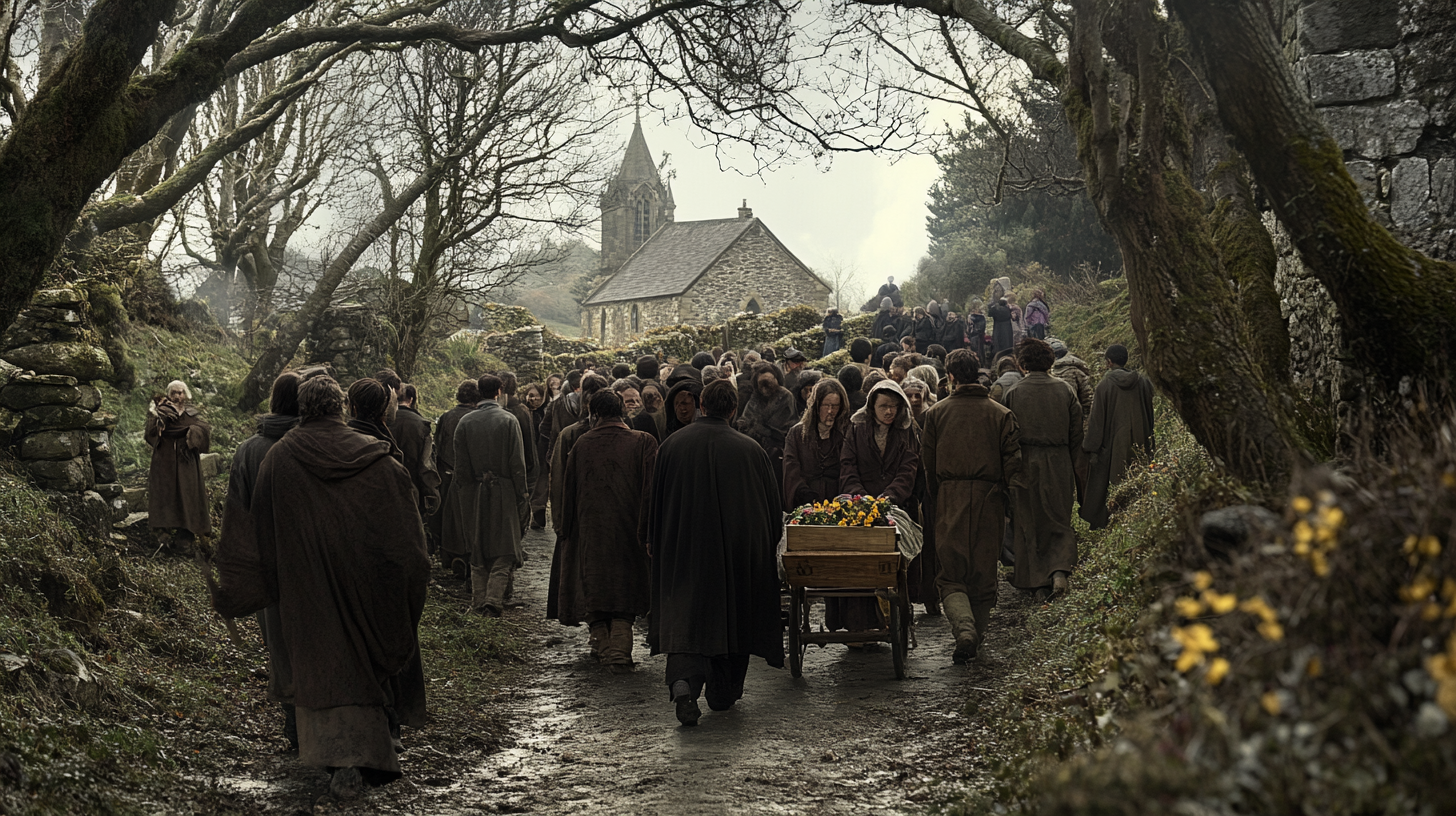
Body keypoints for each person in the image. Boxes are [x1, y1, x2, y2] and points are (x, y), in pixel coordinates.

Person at [249, 375, 429, 799]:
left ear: (303, 408)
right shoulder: (379, 459)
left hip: (305, 586)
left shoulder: (278, 459)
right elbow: (407, 542)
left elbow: (261, 529)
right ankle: (366, 755)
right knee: (363, 658)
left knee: (321, 662)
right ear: (341, 408)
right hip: (365, 583)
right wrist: (402, 585)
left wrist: (270, 581)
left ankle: (333, 758)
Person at [648, 379, 784, 726]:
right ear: (734, 410)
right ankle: (723, 690)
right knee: (732, 618)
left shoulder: (671, 446)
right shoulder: (751, 450)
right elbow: (771, 510)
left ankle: (684, 681)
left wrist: (656, 543)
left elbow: (655, 504)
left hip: (684, 550)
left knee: (686, 615)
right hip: (737, 554)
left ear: (702, 406)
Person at [213, 370, 302, 750]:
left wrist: (239, 565)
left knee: (279, 641)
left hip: (267, 561)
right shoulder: (309, 443)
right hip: (308, 557)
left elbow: (237, 511)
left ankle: (293, 719)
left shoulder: (249, 449)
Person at [920, 349, 1024, 664]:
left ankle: (964, 630)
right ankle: (974, 636)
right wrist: (1008, 504)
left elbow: (929, 465)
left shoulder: (935, 415)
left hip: (950, 498)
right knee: (983, 574)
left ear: (950, 377)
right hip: (989, 499)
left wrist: (939, 499)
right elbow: (1014, 466)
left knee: (950, 574)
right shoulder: (1001, 414)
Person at [552, 390, 658, 672]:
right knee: (626, 585)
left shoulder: (583, 444)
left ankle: (602, 643)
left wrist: (567, 530)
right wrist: (649, 529)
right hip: (630, 528)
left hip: (591, 530)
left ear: (594, 414)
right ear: (622, 411)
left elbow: (568, 492)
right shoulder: (643, 442)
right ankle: (619, 651)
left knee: (595, 584)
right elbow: (651, 492)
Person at [835, 379, 920, 635]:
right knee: (858, 567)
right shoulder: (856, 429)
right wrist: (860, 497)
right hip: (859, 506)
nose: (889, 412)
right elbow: (847, 464)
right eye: (884, 406)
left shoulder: (906, 431)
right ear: (872, 407)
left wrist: (890, 497)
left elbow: (909, 467)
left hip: (895, 505)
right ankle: (860, 628)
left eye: (894, 406)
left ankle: (896, 618)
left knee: (894, 566)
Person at [1004, 338, 1083, 602]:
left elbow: (1008, 437)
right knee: (1058, 517)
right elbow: (1076, 435)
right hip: (1059, 459)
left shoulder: (1013, 393)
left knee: (1029, 520)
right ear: (1050, 361)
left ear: (1022, 363)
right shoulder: (1065, 391)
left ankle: (1036, 582)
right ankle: (1059, 570)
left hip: (1025, 461)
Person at [448, 375, 529, 615]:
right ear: (499, 391)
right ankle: (493, 600)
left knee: (478, 547)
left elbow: (460, 467)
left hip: (474, 491)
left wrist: (465, 494)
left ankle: (477, 601)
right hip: (503, 490)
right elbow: (517, 464)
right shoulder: (508, 420)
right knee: (504, 548)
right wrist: (521, 494)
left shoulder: (465, 422)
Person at [1081, 344, 1155, 530]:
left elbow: (1096, 420)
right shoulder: (1143, 382)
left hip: (1113, 445)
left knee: (1106, 484)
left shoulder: (1104, 386)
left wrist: (1090, 447)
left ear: (1108, 362)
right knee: (1139, 480)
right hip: (1141, 439)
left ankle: (1105, 522)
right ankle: (1139, 515)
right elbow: (1150, 413)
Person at [145, 379, 212, 544]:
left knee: (187, 493)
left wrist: (193, 433)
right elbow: (149, 433)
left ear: (186, 394)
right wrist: (159, 421)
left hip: (186, 460)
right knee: (165, 492)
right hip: (164, 459)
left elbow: (205, 429)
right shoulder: (159, 412)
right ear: (168, 394)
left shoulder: (192, 413)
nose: (177, 396)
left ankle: (186, 533)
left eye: (180, 392)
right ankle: (163, 533)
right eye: (173, 392)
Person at [782, 378, 850, 511]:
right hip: (806, 503)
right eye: (826, 405)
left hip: (838, 502)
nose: (830, 411)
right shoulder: (797, 433)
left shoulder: (846, 433)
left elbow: (850, 467)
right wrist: (803, 494)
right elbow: (791, 469)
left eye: (835, 406)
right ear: (816, 406)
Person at [737, 361, 797, 497]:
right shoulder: (755, 399)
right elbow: (746, 419)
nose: (765, 387)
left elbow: (784, 425)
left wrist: (759, 427)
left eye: (769, 382)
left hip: (778, 454)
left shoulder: (785, 397)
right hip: (755, 454)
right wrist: (744, 425)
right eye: (762, 383)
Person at [433, 381, 480, 545]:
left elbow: (438, 443)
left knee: (449, 514)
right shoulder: (478, 417)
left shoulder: (447, 416)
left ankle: (450, 549)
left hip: (447, 469)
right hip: (472, 473)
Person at [394, 383, 441, 522]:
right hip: (413, 489)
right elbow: (426, 466)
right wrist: (433, 497)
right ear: (412, 399)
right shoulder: (420, 425)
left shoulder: (383, 420)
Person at [498, 372, 540, 493]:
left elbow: (527, 441)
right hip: (522, 466)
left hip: (514, 468)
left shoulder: (518, 411)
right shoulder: (521, 409)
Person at [1049, 338, 1094, 420]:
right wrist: (1086, 413)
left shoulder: (1048, 372)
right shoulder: (1076, 369)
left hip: (1055, 415)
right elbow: (1086, 394)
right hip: (1075, 412)